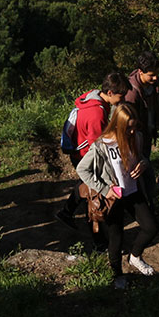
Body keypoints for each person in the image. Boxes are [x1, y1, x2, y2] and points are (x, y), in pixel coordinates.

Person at [77, 102, 157, 289]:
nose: (131, 131)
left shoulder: (136, 137)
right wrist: (105, 189)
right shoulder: (101, 144)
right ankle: (117, 275)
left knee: (151, 227)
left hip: (133, 191)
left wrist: (143, 164)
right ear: (118, 124)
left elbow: (141, 159)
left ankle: (135, 257)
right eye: (127, 127)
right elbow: (82, 169)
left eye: (134, 126)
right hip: (113, 197)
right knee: (116, 238)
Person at [54, 71, 129, 233]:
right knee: (92, 193)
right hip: (85, 156)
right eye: (121, 96)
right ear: (110, 93)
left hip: (78, 151)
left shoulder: (92, 98)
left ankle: (66, 212)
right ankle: (96, 234)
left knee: (84, 185)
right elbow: (98, 145)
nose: (122, 100)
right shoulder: (97, 113)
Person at [125, 51, 159, 158]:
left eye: (157, 74)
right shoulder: (131, 91)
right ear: (140, 72)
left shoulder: (157, 84)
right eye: (151, 75)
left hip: (149, 132)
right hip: (136, 136)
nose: (155, 78)